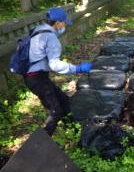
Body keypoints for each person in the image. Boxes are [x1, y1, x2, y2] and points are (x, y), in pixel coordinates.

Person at [23, 7, 92, 137]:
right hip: (36, 78)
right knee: (55, 111)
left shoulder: (38, 30)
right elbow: (55, 65)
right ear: (57, 23)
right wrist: (78, 69)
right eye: (63, 22)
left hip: (36, 77)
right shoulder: (50, 38)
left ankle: (76, 131)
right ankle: (40, 143)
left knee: (65, 101)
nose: (64, 25)